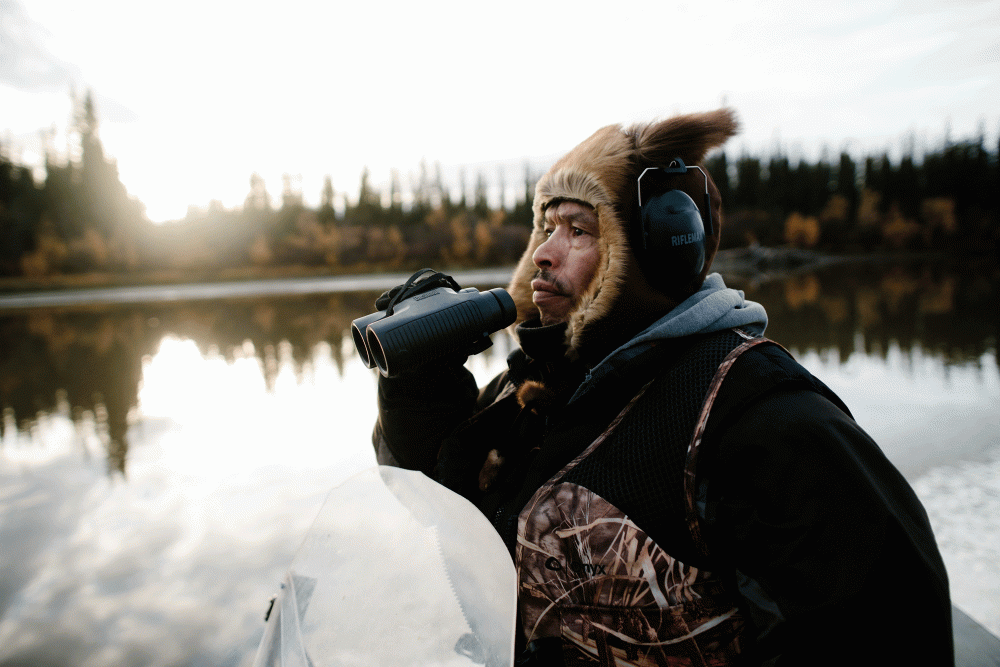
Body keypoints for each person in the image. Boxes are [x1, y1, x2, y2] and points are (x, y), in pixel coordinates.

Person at [371, 108, 954, 666]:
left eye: (578, 230)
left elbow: (887, 631)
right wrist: (417, 389)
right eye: (546, 227)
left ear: (654, 250)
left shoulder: (757, 413)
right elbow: (444, 512)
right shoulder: (532, 388)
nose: (543, 254)